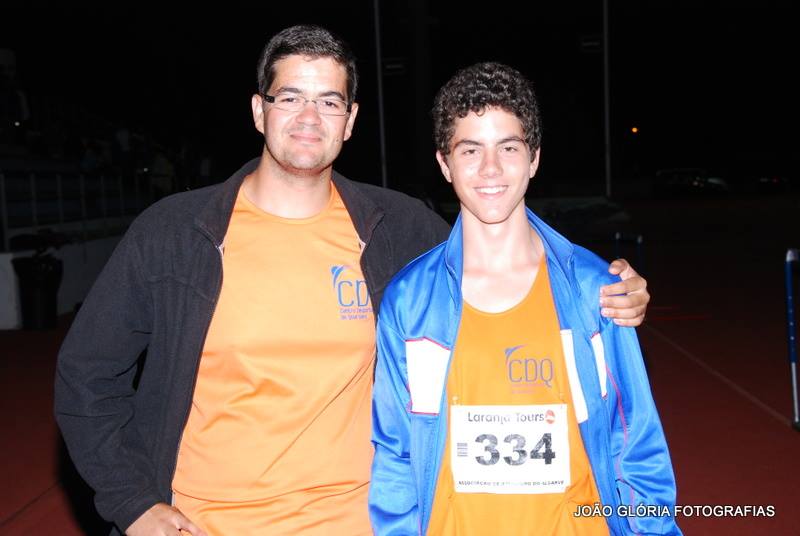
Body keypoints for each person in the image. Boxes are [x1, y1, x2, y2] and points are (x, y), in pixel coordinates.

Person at [55, 27, 650, 536]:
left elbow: (500, 242)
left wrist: (608, 284)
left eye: (329, 101)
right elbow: (86, 375)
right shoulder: (175, 233)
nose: (308, 118)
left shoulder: (397, 228)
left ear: (351, 120)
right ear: (259, 111)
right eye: (290, 97)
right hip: (208, 521)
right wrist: (132, 503)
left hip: (359, 522)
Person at [369, 62, 679, 535]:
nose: (490, 168)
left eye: (508, 147)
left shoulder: (594, 289)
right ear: (444, 164)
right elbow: (395, 454)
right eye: (470, 150)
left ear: (533, 159)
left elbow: (634, 439)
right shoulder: (410, 301)